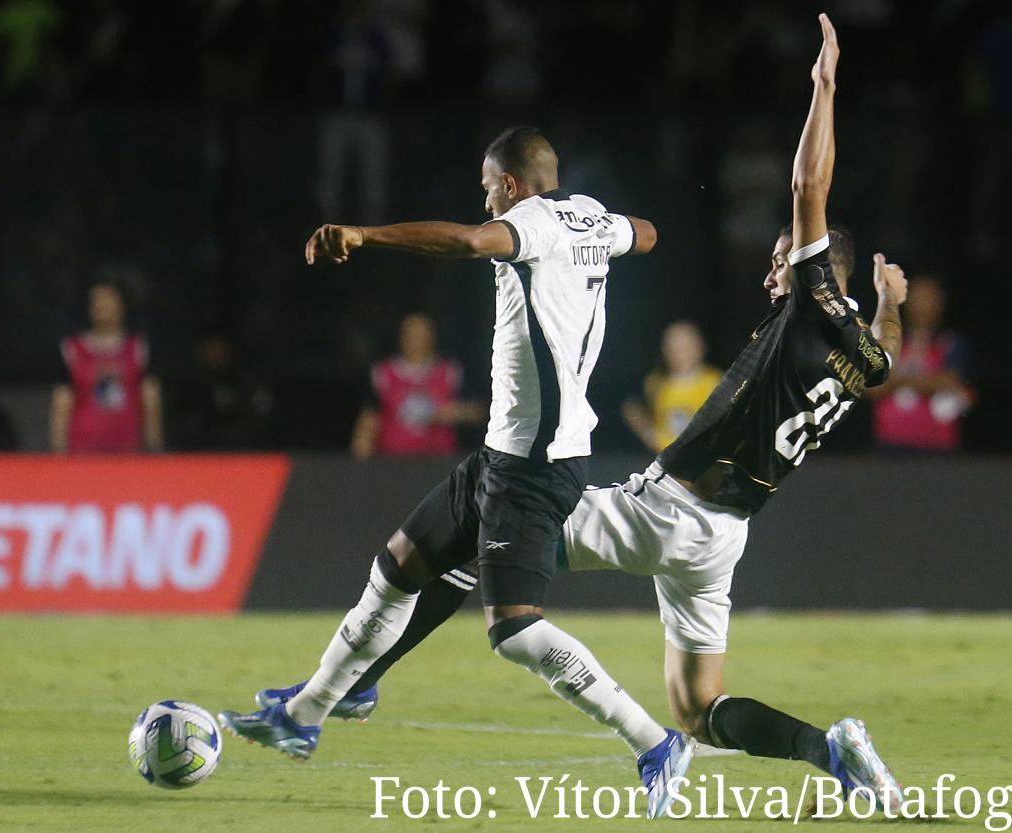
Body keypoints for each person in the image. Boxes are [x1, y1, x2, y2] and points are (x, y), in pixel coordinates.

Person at [256, 15, 908, 813]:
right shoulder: (861, 352)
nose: (774, 270)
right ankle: (828, 748)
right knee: (701, 706)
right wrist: (888, 306)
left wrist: (825, 87)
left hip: (666, 507)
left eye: (783, 258)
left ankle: (353, 687)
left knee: (484, 548)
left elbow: (810, 185)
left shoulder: (811, 297)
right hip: (724, 536)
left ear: (816, 268)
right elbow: (883, 361)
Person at [219, 125, 696, 818]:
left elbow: (472, 242)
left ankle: (654, 742)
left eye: (486, 190)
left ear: (508, 185)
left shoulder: (526, 220)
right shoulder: (589, 213)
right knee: (399, 566)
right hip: (505, 453)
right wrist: (609, 231)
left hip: (537, 465)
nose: (485, 204)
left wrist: (364, 234)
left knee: (517, 631)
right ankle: (306, 713)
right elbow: (647, 233)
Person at [350, 313, 484, 459]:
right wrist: (362, 452)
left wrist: (453, 413)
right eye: (412, 336)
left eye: (423, 336)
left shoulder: (451, 372)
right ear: (402, 338)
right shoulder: (383, 374)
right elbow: (369, 418)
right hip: (393, 462)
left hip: (440, 462)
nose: (418, 342)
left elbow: (477, 412)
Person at [50, 280, 162, 454]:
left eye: (109, 300)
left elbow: (150, 397)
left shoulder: (139, 348)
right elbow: (62, 401)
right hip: (82, 449)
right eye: (96, 301)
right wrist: (58, 451)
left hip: (128, 448)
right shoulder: (71, 349)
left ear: (122, 305)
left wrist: (154, 446)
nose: (102, 306)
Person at [868, 274, 973, 452]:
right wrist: (924, 381)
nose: (923, 306)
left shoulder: (950, 343)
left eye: (930, 298)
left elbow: (949, 381)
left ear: (941, 302)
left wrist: (900, 380)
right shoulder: (887, 340)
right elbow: (872, 388)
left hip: (937, 445)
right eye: (918, 298)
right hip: (890, 444)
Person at [622, 320, 722, 453]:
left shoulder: (716, 382)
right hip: (663, 463)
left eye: (686, 346)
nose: (680, 353)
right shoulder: (655, 383)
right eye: (674, 347)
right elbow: (635, 411)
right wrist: (649, 434)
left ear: (700, 347)